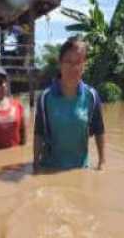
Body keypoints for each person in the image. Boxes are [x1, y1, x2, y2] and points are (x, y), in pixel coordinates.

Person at [33, 37, 105, 171]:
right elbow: (39, 133)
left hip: (80, 169)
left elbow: (99, 130)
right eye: (68, 62)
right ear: (60, 64)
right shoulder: (45, 97)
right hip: (49, 168)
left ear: (84, 65)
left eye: (78, 62)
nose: (73, 67)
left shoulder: (92, 96)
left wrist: (101, 163)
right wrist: (35, 165)